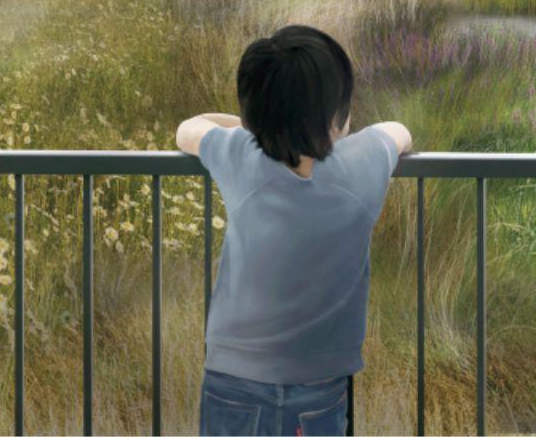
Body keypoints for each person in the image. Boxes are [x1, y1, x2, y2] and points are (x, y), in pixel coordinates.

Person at [175, 26, 412, 436]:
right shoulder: (363, 161)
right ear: (337, 114)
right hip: (319, 384)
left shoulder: (242, 156)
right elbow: (399, 132)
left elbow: (188, 129)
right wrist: (340, 140)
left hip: (233, 378)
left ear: (253, 116)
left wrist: (257, 132)